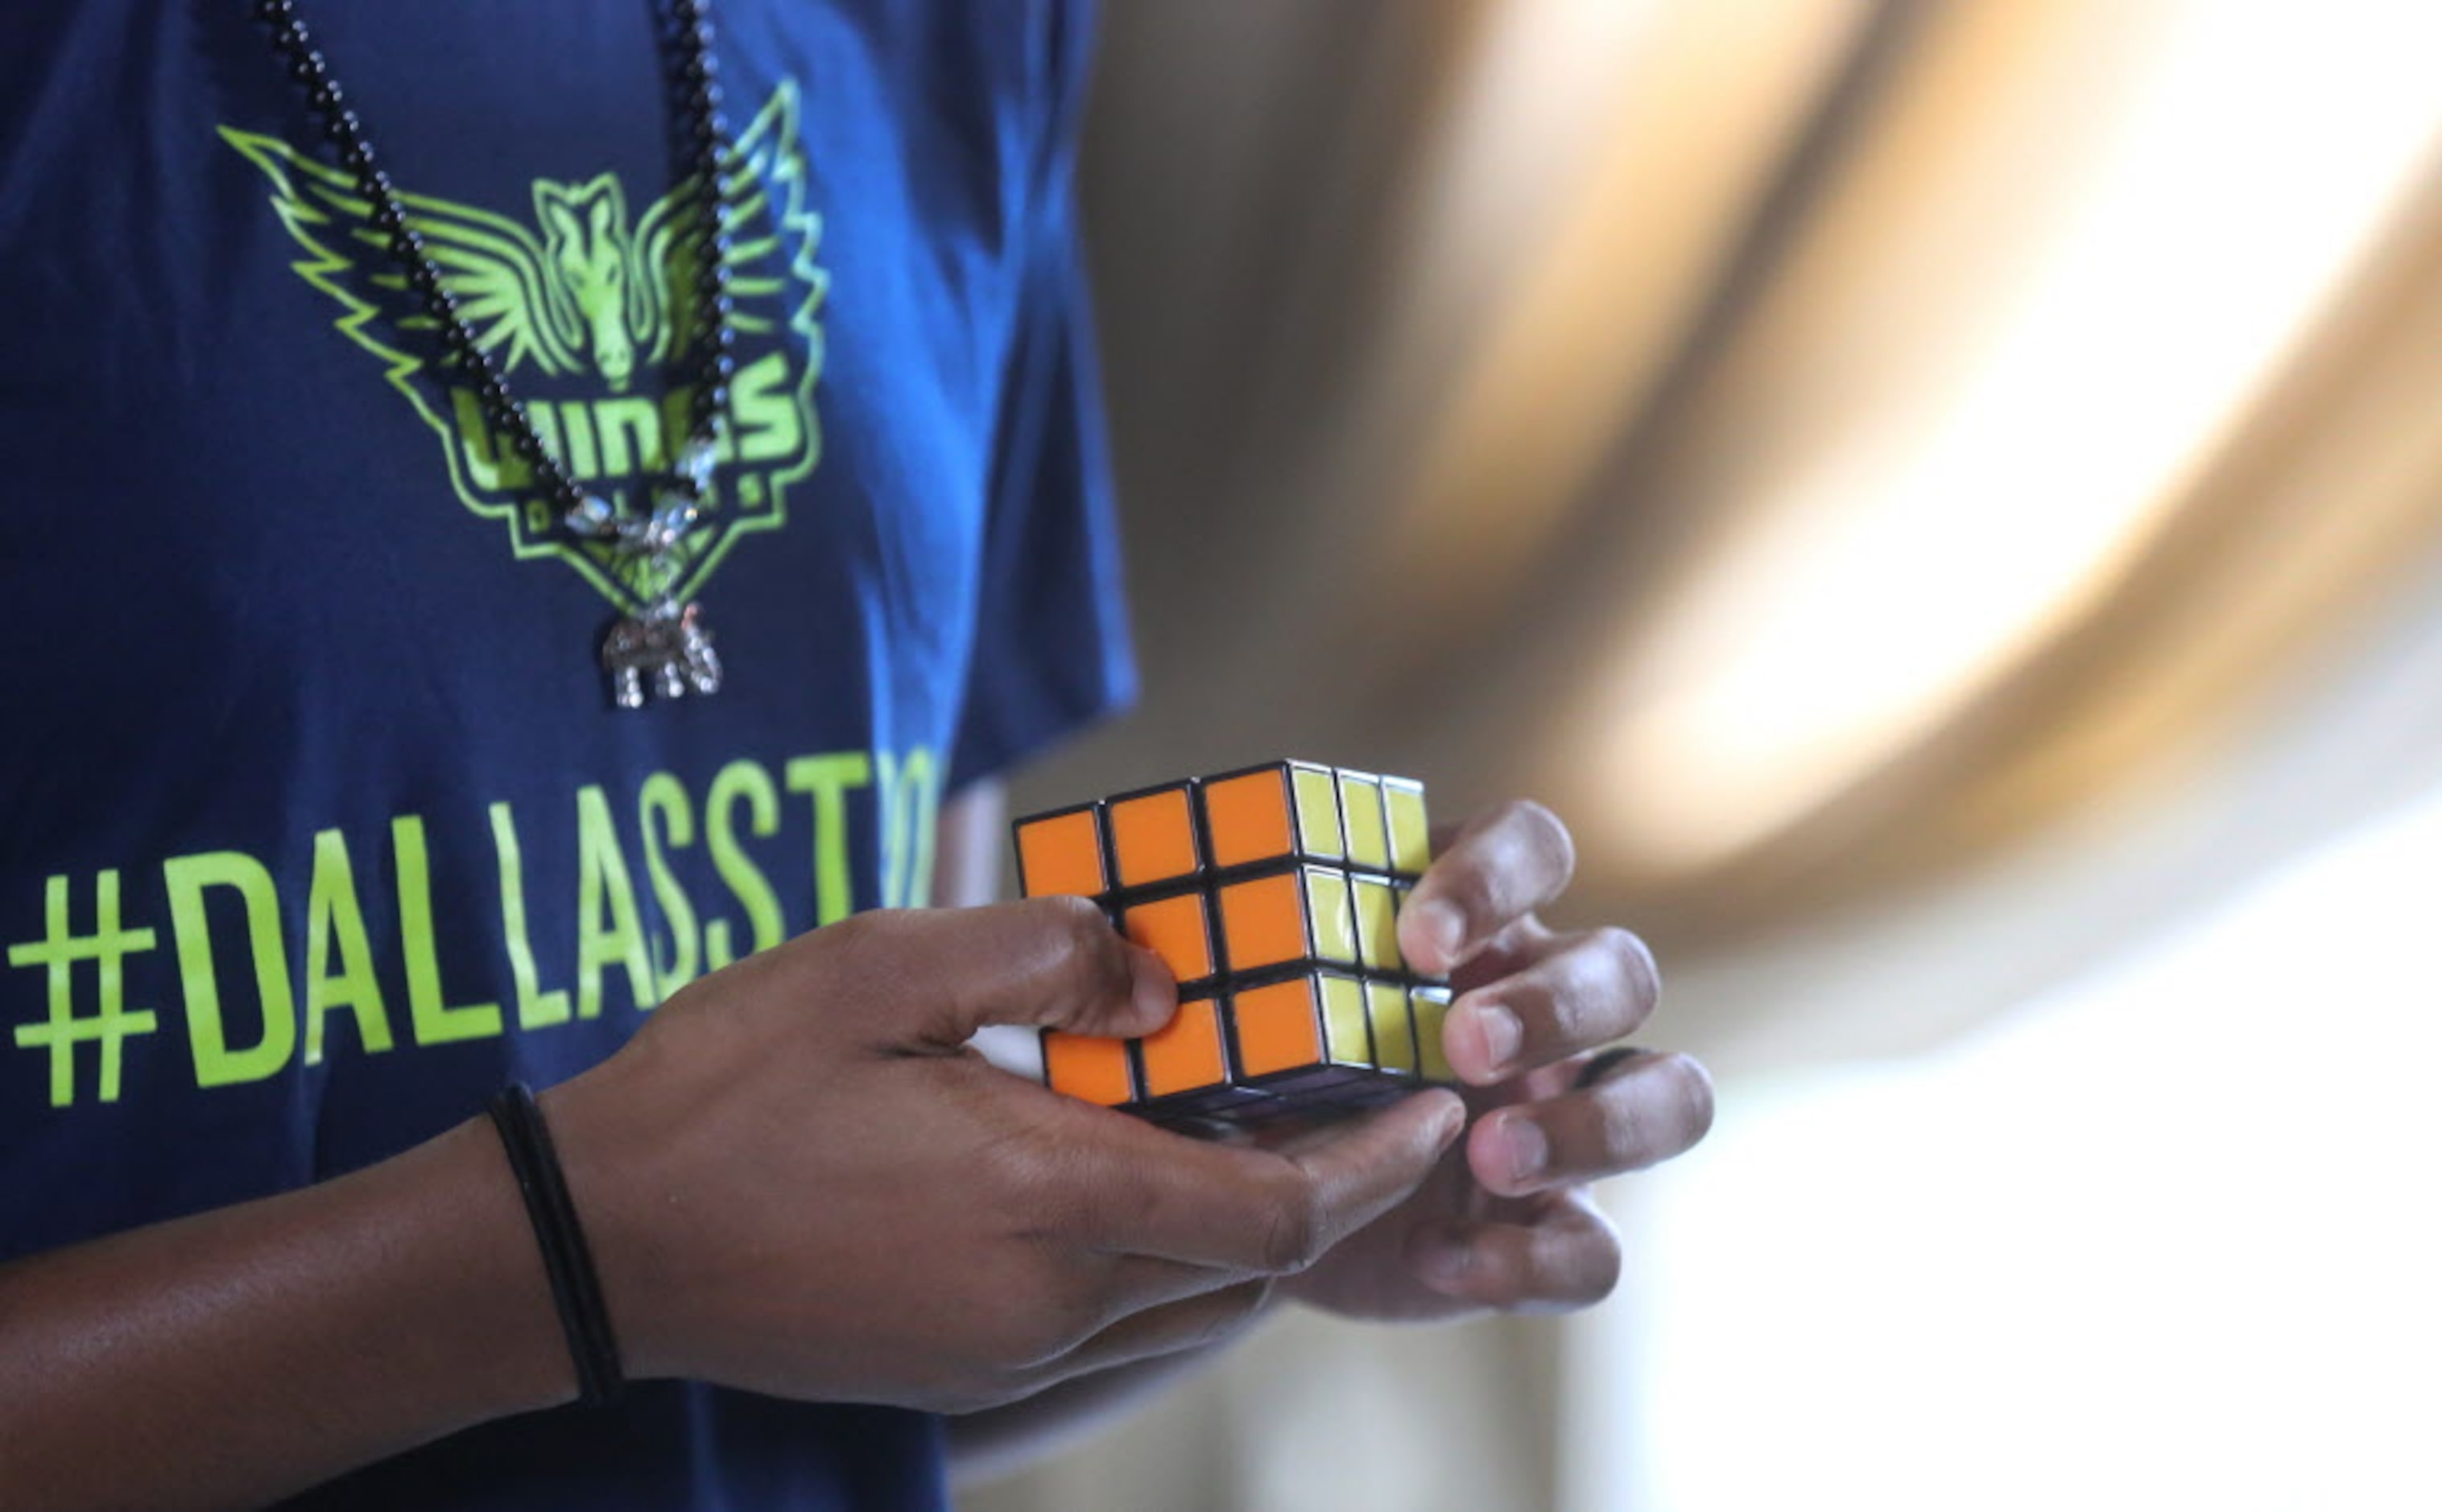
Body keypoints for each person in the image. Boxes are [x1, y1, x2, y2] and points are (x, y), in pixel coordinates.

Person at [0, 2, 1714, 1507]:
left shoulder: (957, 31)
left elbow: (829, 1362)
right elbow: (657, 1284)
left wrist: (1263, 1183)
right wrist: (577, 1257)